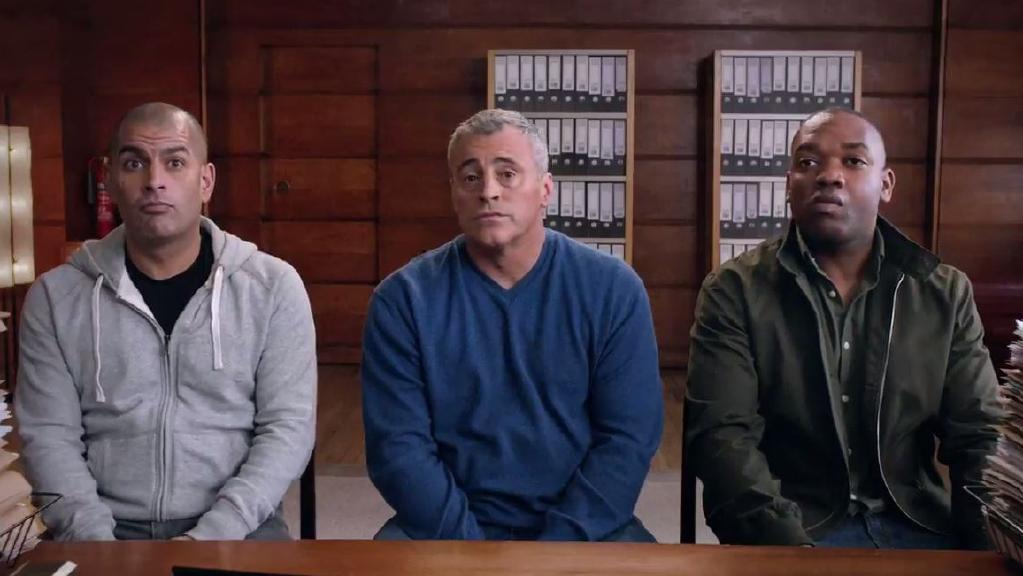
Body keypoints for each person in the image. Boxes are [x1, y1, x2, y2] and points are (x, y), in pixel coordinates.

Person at [685, 108, 1002, 549]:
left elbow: (980, 434)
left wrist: (988, 547)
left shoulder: (942, 292)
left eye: (853, 161)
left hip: (918, 525)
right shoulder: (735, 290)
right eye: (808, 162)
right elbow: (723, 438)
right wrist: (790, 552)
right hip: (794, 529)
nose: (829, 176)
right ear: (789, 184)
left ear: (886, 184)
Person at [15, 102, 317, 541]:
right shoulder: (55, 297)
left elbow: (287, 429)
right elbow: (49, 436)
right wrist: (97, 545)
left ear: (205, 181)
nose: (154, 181)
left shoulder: (271, 287)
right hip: (101, 532)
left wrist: (214, 536)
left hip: (241, 530)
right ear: (111, 181)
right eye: (134, 163)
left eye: (174, 162)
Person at [361, 108, 663, 541]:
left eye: (507, 174)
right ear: (453, 193)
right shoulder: (403, 301)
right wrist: (472, 555)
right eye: (470, 177)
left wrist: (554, 551)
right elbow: (398, 449)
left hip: (586, 529)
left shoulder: (614, 290)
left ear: (545, 190)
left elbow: (627, 440)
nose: (488, 192)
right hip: (444, 529)